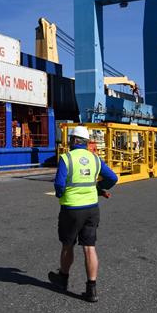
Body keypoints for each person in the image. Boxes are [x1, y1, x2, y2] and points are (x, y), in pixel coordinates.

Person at [49, 125, 118, 302]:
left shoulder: (66, 158)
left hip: (71, 209)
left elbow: (59, 185)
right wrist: (99, 188)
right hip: (91, 209)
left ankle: (62, 279)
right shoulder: (95, 159)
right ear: (87, 142)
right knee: (89, 247)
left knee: (68, 245)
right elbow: (113, 178)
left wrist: (60, 194)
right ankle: (91, 289)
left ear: (73, 140)